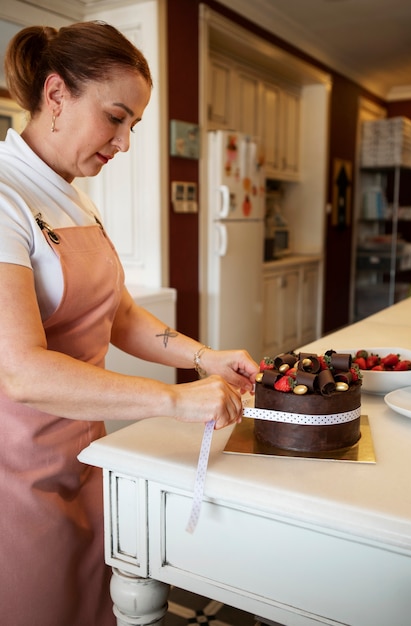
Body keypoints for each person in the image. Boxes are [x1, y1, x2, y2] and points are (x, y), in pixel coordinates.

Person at [0, 21, 258, 626]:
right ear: (57, 94)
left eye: (133, 125)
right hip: (14, 471)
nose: (124, 142)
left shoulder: (71, 195)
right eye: (116, 117)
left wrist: (204, 358)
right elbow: (22, 372)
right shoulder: (3, 196)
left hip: (83, 453)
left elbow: (115, 313)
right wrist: (173, 400)